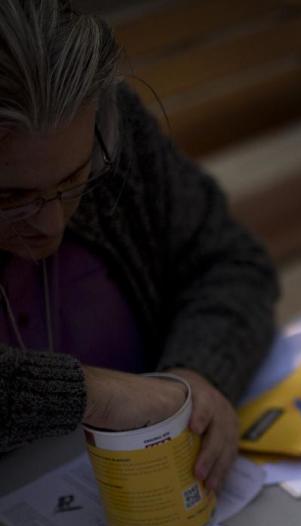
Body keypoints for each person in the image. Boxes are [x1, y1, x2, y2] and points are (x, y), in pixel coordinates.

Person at [0, 0, 278, 495]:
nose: (50, 223)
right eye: (10, 197)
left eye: (74, 177)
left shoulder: (111, 129)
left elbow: (230, 262)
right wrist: (88, 393)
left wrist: (197, 372)